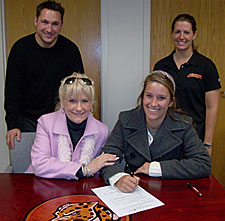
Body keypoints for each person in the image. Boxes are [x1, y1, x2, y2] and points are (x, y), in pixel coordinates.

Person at [101, 71, 211, 193]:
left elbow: (203, 163)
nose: (153, 104)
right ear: (142, 96)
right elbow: (107, 157)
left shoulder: (184, 125)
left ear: (171, 102)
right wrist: (119, 178)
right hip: (133, 191)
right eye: (149, 96)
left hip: (171, 192)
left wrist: (154, 168)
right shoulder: (126, 119)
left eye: (161, 98)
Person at [5, 0, 84, 148]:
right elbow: (11, 91)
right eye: (44, 22)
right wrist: (12, 124)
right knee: (29, 166)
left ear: (61, 25)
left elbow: (77, 90)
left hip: (60, 118)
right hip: (26, 121)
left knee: (59, 164)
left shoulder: (70, 50)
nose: (49, 29)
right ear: (35, 21)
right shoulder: (20, 49)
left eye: (55, 24)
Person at [26, 73, 118, 179]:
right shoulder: (46, 122)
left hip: (81, 190)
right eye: (72, 101)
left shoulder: (102, 131)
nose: (79, 108)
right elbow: (40, 164)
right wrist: (84, 170)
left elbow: (102, 167)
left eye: (84, 101)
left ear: (91, 103)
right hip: (42, 186)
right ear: (62, 102)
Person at [154, 14, 221, 155]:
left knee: (193, 175)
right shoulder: (161, 66)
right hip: (166, 136)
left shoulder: (206, 66)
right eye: (177, 32)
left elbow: (212, 107)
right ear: (172, 34)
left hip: (195, 137)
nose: (181, 37)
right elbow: (155, 103)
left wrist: (207, 144)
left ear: (194, 35)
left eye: (186, 32)